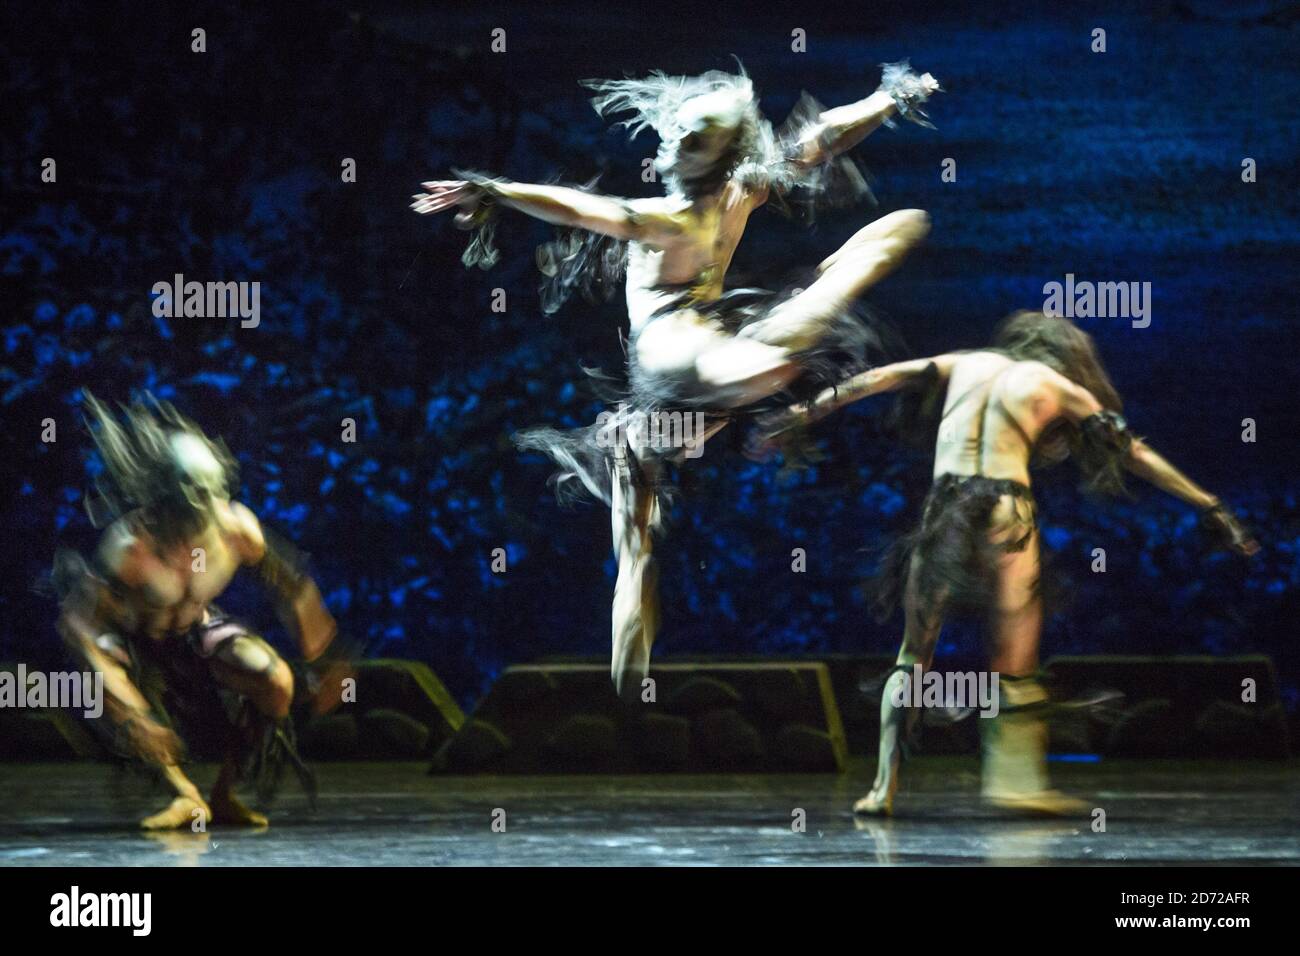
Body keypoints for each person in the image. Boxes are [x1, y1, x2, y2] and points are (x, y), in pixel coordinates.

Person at [413, 61, 941, 694]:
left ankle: (794, 330)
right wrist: (888, 97)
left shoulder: (687, 212)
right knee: (635, 558)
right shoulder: (735, 190)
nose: (673, 148)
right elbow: (815, 141)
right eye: (677, 134)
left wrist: (495, 189)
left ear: (722, 155)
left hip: (693, 369)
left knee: (902, 225)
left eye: (694, 141)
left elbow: (585, 209)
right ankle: (625, 695)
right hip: (677, 385)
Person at [754, 310, 1259, 814]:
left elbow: (877, 380)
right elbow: (1133, 453)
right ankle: (1015, 783)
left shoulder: (963, 363)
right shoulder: (1054, 385)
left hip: (945, 508)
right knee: (1012, 664)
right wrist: (1210, 505)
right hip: (1005, 511)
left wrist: (804, 413)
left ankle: (882, 788)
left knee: (913, 656)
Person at [54, 393, 340, 829]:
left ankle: (225, 794)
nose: (201, 506)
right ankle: (182, 794)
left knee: (277, 681)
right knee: (118, 696)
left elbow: (291, 586)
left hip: (196, 632)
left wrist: (321, 654)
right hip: (135, 645)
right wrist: (130, 708)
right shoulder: (131, 548)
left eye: (207, 495)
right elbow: (79, 629)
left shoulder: (235, 530)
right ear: (166, 497)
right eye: (189, 495)